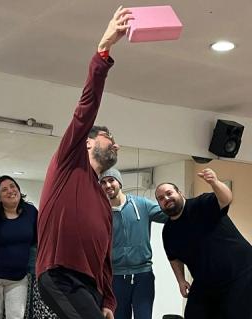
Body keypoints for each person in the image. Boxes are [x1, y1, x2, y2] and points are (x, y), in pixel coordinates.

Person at [36, 6, 133, 319]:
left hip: (89, 285)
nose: (114, 143)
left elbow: (105, 256)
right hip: (59, 274)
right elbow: (86, 108)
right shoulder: (68, 163)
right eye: (108, 138)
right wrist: (103, 52)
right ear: (88, 141)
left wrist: (109, 300)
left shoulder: (104, 201)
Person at [155, 168, 252, 319]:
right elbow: (173, 257)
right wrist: (181, 280)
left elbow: (226, 199)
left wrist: (214, 182)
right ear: (160, 205)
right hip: (205, 282)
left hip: (240, 274)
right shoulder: (168, 231)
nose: (166, 198)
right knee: (194, 314)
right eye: (161, 198)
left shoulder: (201, 204)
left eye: (169, 193)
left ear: (179, 193)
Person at [99, 168, 167, 319]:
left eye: (111, 180)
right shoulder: (100, 212)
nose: (108, 185)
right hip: (115, 278)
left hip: (143, 275)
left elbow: (170, 214)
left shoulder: (141, 204)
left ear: (119, 183)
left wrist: (186, 205)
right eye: (103, 182)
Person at [0, 175, 37, 319]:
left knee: (16, 316)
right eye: (4, 190)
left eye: (13, 186)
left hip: (19, 279)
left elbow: (38, 239)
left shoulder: (31, 211)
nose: (10, 191)